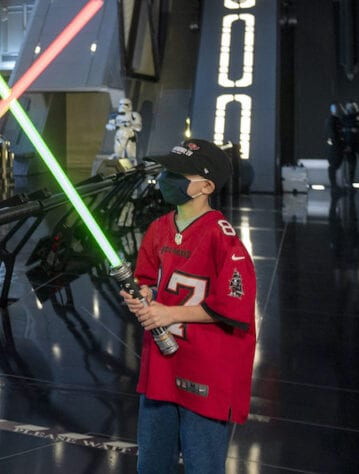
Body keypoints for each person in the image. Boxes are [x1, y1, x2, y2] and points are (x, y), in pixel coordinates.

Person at [120, 139, 256, 474]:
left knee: (203, 463)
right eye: (167, 170)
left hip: (204, 371)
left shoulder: (223, 237)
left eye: (178, 173)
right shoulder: (159, 228)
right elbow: (148, 277)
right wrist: (146, 295)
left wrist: (169, 313)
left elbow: (234, 302)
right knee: (151, 462)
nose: (167, 178)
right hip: (161, 365)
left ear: (206, 186)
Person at [325, 102, 345, 188]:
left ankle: (335, 185)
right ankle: (334, 185)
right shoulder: (331, 120)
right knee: (333, 165)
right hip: (334, 146)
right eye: (335, 108)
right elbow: (332, 134)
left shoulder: (338, 120)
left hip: (338, 145)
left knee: (336, 164)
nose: (337, 110)